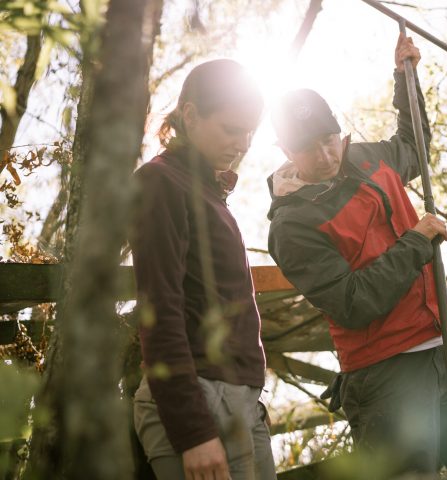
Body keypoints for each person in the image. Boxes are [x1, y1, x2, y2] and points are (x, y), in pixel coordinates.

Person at [266, 34, 447, 479]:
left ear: (340, 133)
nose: (326, 155)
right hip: (384, 372)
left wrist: (406, 77)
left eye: (330, 139)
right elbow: (353, 302)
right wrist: (416, 241)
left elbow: (414, 144)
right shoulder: (292, 226)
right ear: (287, 153)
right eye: (310, 148)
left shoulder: (368, 159)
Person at [130, 59, 276, 480]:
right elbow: (159, 310)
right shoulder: (161, 183)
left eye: (250, 131)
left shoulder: (207, 191)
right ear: (190, 115)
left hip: (241, 404)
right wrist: (193, 432)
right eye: (232, 129)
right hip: (198, 403)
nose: (244, 143)